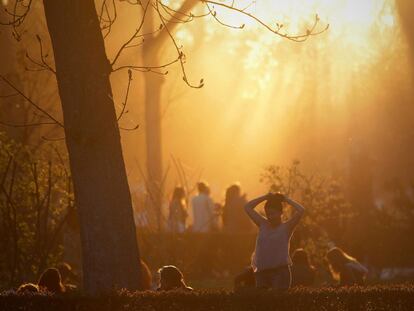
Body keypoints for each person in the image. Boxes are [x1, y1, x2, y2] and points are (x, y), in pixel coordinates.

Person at [244, 192, 305, 290]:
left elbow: (301, 210)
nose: (270, 217)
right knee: (262, 303)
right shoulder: (262, 224)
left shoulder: (287, 227)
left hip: (280, 273)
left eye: (273, 213)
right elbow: (247, 207)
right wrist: (265, 197)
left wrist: (285, 199)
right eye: (268, 214)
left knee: (278, 302)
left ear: (281, 213)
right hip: (261, 272)